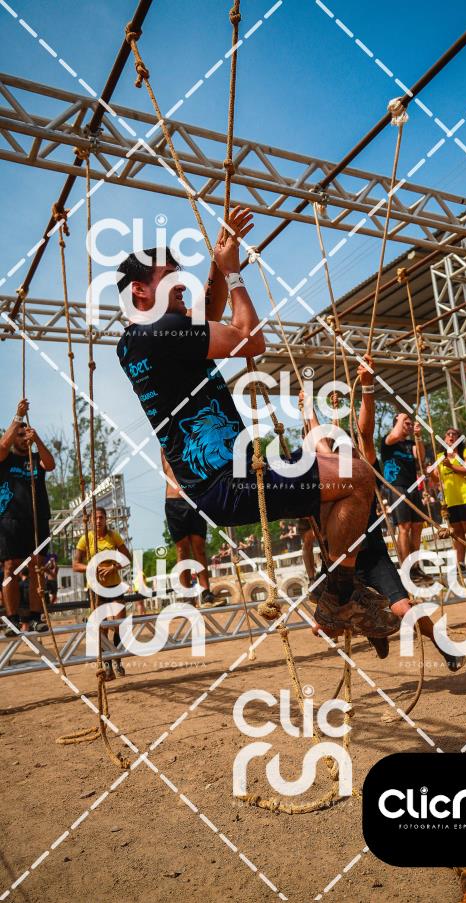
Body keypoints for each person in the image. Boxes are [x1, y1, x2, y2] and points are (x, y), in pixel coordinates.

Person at [116, 207, 398, 640]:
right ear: (139, 290)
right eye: (169, 278)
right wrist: (233, 275)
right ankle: (339, 597)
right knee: (358, 476)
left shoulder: (135, 341)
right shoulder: (162, 332)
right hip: (230, 480)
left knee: (337, 485)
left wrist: (216, 264)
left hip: (218, 483)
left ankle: (349, 587)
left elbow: (203, 318)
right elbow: (251, 339)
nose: (181, 285)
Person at [352, 356, 463, 669]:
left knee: (404, 607)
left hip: (372, 555)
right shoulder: (320, 482)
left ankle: (444, 645)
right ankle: (373, 627)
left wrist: (368, 388)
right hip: (340, 563)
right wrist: (308, 411)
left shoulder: (365, 471)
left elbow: (365, 431)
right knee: (324, 625)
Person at [0, 398, 54, 635]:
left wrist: (37, 439)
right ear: (13, 436)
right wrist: (18, 417)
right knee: (10, 567)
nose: (23, 438)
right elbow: (2, 446)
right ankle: (11, 619)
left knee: (37, 566)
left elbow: (50, 464)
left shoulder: (36, 458)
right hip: (10, 520)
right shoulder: (5, 458)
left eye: (26, 435)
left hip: (37, 519)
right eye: (19, 435)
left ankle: (35, 617)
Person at [73, 507, 133, 680]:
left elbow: (127, 558)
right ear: (90, 521)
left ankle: (117, 660)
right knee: (102, 628)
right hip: (96, 590)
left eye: (101, 517)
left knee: (119, 625)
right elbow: (75, 565)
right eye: (95, 518)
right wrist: (91, 567)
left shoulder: (113, 536)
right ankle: (107, 665)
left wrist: (114, 567)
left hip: (115, 587)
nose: (98, 521)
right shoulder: (86, 539)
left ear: (106, 519)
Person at [161, 450, 221, 607]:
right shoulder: (166, 444)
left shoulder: (194, 441)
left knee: (199, 547)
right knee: (182, 550)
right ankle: (187, 596)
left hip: (195, 499)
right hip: (174, 501)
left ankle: (206, 594)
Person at [380, 413, 432, 587]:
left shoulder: (410, 444)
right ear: (397, 424)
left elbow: (421, 457)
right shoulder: (387, 441)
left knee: (417, 526)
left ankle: (415, 566)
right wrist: (401, 417)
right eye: (406, 423)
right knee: (404, 527)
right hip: (396, 487)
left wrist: (418, 436)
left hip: (412, 487)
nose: (409, 426)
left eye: (410, 423)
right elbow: (394, 435)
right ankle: (406, 568)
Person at [433, 427, 466, 581]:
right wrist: (430, 474)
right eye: (448, 434)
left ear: (459, 438)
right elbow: (436, 479)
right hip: (451, 500)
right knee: (457, 533)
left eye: (454, 434)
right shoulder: (440, 457)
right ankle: (460, 565)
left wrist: (451, 466)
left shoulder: (465, 452)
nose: (451, 436)